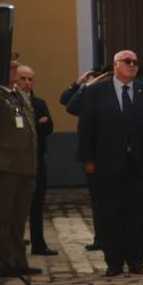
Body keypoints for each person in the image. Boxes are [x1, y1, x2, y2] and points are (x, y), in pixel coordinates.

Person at [77, 49, 143, 277]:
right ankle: (114, 261)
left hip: (138, 163)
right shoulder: (96, 92)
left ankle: (136, 260)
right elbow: (86, 127)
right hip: (107, 163)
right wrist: (87, 158)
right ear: (116, 65)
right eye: (127, 61)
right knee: (110, 214)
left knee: (136, 214)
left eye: (135, 62)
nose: (132, 65)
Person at [0, 63, 39, 278]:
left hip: (25, 166)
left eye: (14, 68)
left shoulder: (19, 95)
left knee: (19, 217)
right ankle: (5, 261)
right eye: (10, 69)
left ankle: (19, 260)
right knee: (2, 217)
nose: (14, 72)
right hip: (5, 166)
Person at [61, 66, 109, 252]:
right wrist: (81, 83)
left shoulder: (107, 97)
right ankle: (101, 238)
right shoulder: (88, 94)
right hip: (94, 156)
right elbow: (67, 102)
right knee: (97, 201)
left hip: (109, 154)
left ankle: (111, 237)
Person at [14, 65, 57, 257]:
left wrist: (40, 126)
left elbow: (48, 127)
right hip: (17, 161)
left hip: (38, 160)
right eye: (23, 79)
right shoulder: (11, 102)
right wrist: (37, 126)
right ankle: (15, 243)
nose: (27, 83)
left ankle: (39, 244)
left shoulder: (39, 103)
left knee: (38, 205)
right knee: (17, 205)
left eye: (30, 79)